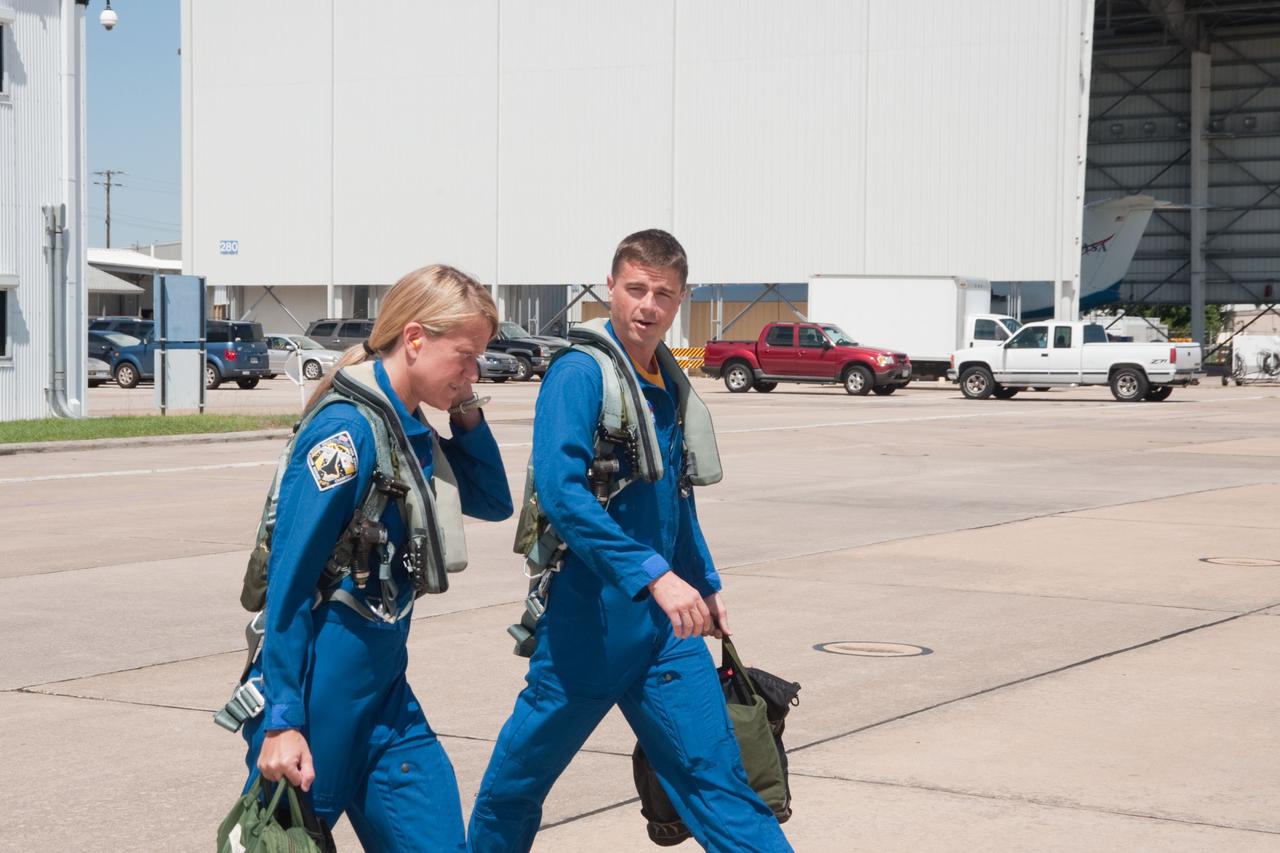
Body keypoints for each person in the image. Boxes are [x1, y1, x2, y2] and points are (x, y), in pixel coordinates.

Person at [468, 231, 793, 852]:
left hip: (667, 632)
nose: (648, 305)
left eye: (663, 295)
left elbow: (676, 501)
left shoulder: (665, 381)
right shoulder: (579, 374)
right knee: (516, 787)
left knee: (719, 783)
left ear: (679, 301)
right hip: (587, 626)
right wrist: (654, 574)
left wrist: (707, 583)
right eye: (636, 289)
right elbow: (564, 496)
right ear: (611, 288)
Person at [240, 265, 513, 852]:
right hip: (322, 693)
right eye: (465, 357)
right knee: (284, 842)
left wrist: (464, 407)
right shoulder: (346, 433)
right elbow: (288, 586)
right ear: (414, 339)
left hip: (385, 692)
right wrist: (283, 719)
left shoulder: (404, 426)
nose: (474, 372)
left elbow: (492, 500)